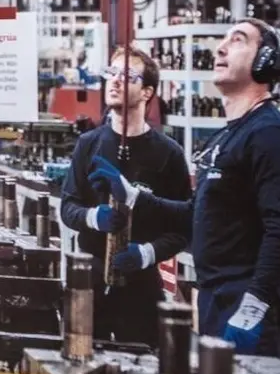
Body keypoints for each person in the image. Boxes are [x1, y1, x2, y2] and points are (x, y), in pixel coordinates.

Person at [89, 18, 280, 364]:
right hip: (215, 300)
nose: (220, 47)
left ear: (265, 61)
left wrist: (254, 306)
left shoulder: (271, 133)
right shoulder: (226, 137)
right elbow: (197, 215)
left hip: (252, 308)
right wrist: (135, 197)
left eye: (237, 40)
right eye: (222, 40)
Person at [59, 47, 190, 346]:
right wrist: (93, 217)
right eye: (112, 73)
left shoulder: (168, 154)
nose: (115, 81)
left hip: (141, 287)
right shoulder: (88, 144)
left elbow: (182, 227)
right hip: (89, 284)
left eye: (127, 76)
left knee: (144, 371)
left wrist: (147, 253)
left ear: (146, 92)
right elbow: (68, 207)